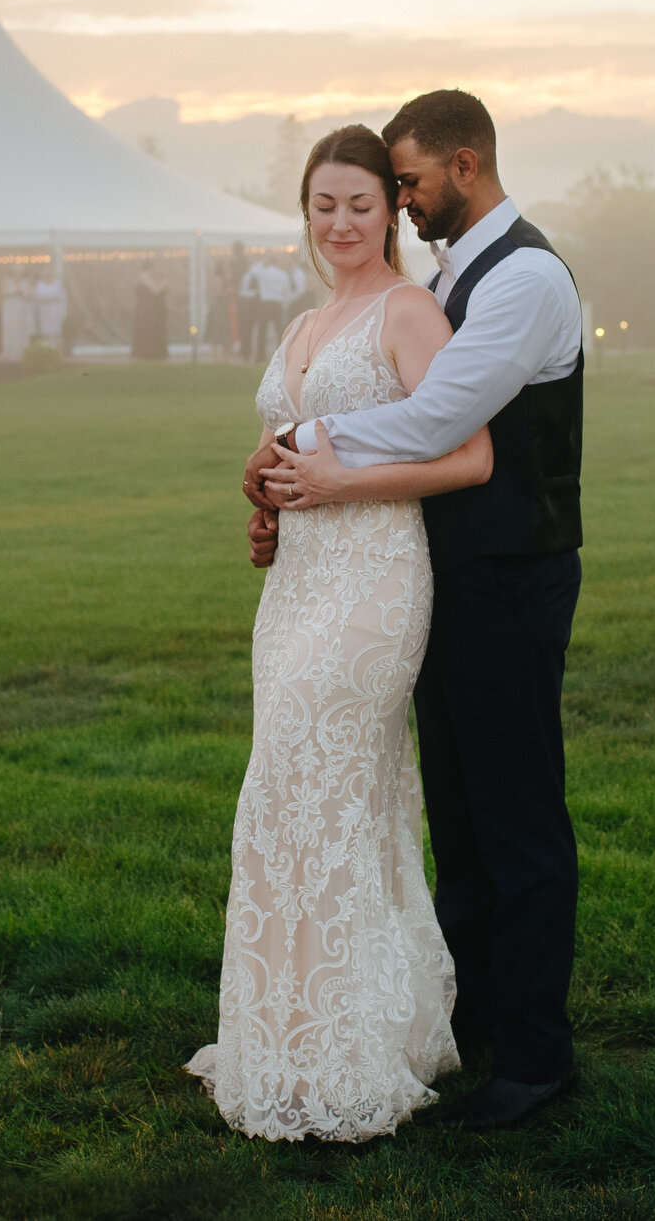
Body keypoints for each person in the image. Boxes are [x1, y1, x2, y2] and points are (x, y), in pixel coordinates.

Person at [244, 89, 584, 1133]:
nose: (396, 202)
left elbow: (440, 420)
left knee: (516, 819)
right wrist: (277, 482)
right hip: (433, 572)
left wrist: (305, 452)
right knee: (463, 823)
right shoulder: (449, 279)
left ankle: (535, 1056)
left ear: (463, 165)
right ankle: (465, 1021)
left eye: (404, 183)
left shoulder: (522, 278)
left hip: (511, 574)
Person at [188, 126, 493, 1143]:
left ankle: (339, 1052)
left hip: (375, 579)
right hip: (297, 587)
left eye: (360, 203)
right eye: (324, 205)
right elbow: (280, 445)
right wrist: (263, 493)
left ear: (391, 208)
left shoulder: (410, 311)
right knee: (289, 795)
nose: (341, 223)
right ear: (307, 211)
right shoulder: (305, 321)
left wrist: (337, 486)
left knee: (321, 787)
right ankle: (293, 1030)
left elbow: (470, 455)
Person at [240, 252, 296, 364]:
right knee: (279, 331)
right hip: (277, 304)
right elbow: (287, 293)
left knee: (262, 331)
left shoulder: (263, 273)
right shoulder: (283, 275)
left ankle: (260, 356)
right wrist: (283, 304)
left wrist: (261, 262)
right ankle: (281, 356)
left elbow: (252, 271)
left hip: (264, 304)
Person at [131, 261, 170, 360]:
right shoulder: (145, 276)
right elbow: (154, 290)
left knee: (151, 329)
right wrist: (164, 283)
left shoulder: (147, 276)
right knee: (148, 329)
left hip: (151, 309)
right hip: (147, 309)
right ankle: (148, 353)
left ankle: (152, 353)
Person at [31, 268, 68, 356]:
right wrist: (49, 298)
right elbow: (36, 298)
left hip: (55, 312)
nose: (47, 275)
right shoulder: (39, 284)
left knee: (57, 332)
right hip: (44, 313)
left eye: (49, 273)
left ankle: (58, 353)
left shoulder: (58, 284)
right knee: (45, 333)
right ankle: (46, 353)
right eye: (45, 273)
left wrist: (48, 299)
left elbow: (60, 297)